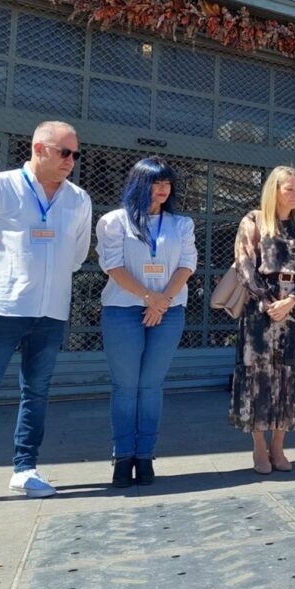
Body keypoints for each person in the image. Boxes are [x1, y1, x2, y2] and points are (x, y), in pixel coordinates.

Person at [0, 121, 92, 512]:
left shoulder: (78, 199)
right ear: (39, 149)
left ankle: (25, 469)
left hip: (52, 310)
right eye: (65, 152)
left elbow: (76, 256)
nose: (71, 161)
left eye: (76, 154)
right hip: (4, 308)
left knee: (37, 392)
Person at [96, 157, 196, 487]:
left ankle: (145, 455)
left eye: (167, 182)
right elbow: (113, 266)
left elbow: (186, 265)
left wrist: (162, 300)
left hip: (168, 312)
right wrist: (147, 298)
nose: (163, 188)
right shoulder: (115, 221)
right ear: (140, 183)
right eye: (156, 182)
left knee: (151, 385)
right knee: (126, 386)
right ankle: (123, 456)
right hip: (124, 310)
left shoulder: (181, 225)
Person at [230, 166, 295, 475]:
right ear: (274, 191)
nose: (294, 195)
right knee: (259, 378)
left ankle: (278, 446)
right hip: (260, 310)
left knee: (289, 378)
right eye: (288, 189)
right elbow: (245, 265)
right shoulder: (253, 221)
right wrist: (269, 303)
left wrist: (291, 300)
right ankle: (258, 447)